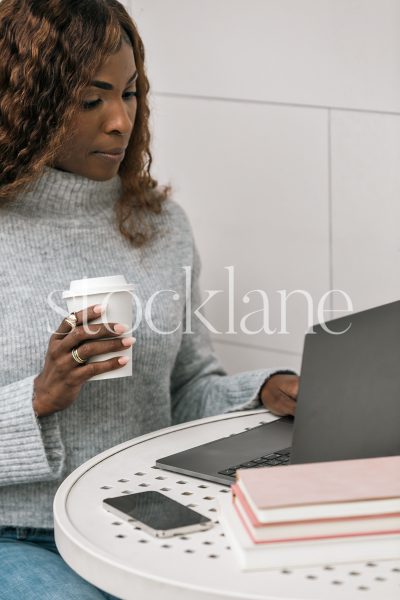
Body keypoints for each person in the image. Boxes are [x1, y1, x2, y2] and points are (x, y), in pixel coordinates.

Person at [0, 0, 299, 597]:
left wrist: (265, 390)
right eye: (92, 100)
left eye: (131, 93)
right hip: (18, 533)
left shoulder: (159, 225)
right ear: (25, 101)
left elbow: (186, 390)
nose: (120, 120)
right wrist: (40, 396)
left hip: (147, 515)